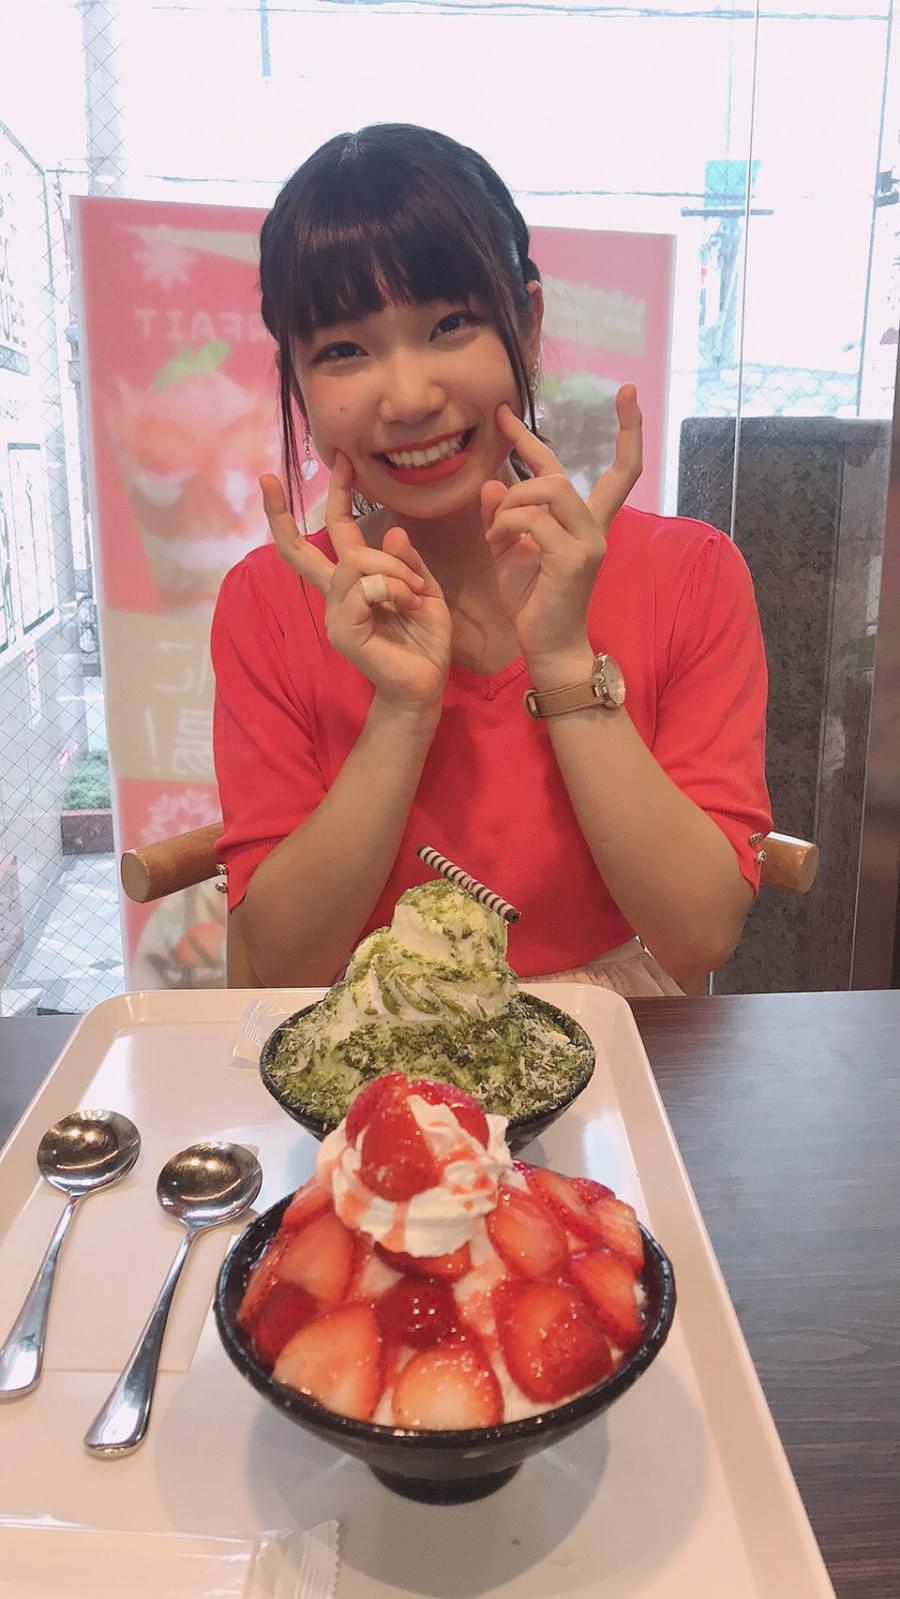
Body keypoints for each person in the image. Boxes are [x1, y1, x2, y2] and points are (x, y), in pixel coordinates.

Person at [211, 123, 771, 995]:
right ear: (298, 382)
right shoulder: (268, 602)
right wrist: (402, 710)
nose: (409, 397)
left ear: (528, 325)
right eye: (345, 350)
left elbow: (698, 933)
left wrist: (564, 660)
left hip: (614, 1036)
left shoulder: (691, 574)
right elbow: (284, 959)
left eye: (450, 324)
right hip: (370, 1039)